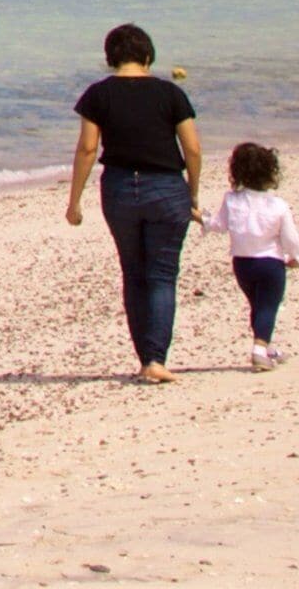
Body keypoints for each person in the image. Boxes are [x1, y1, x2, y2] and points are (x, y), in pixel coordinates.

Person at [64, 22, 201, 382]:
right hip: (167, 188)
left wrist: (74, 200)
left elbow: (88, 149)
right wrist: (193, 193)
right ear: (147, 55)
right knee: (162, 274)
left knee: (134, 273)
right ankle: (156, 359)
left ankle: (146, 360)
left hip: (121, 188)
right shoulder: (170, 94)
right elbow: (192, 148)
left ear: (111, 58)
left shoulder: (98, 95)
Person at [207, 141, 299, 369]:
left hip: (242, 264)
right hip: (270, 264)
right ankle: (259, 350)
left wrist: (201, 219)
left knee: (257, 305)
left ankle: (268, 347)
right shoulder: (278, 205)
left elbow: (218, 224)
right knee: (268, 306)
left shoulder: (231, 200)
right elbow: (290, 237)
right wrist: (296, 258)